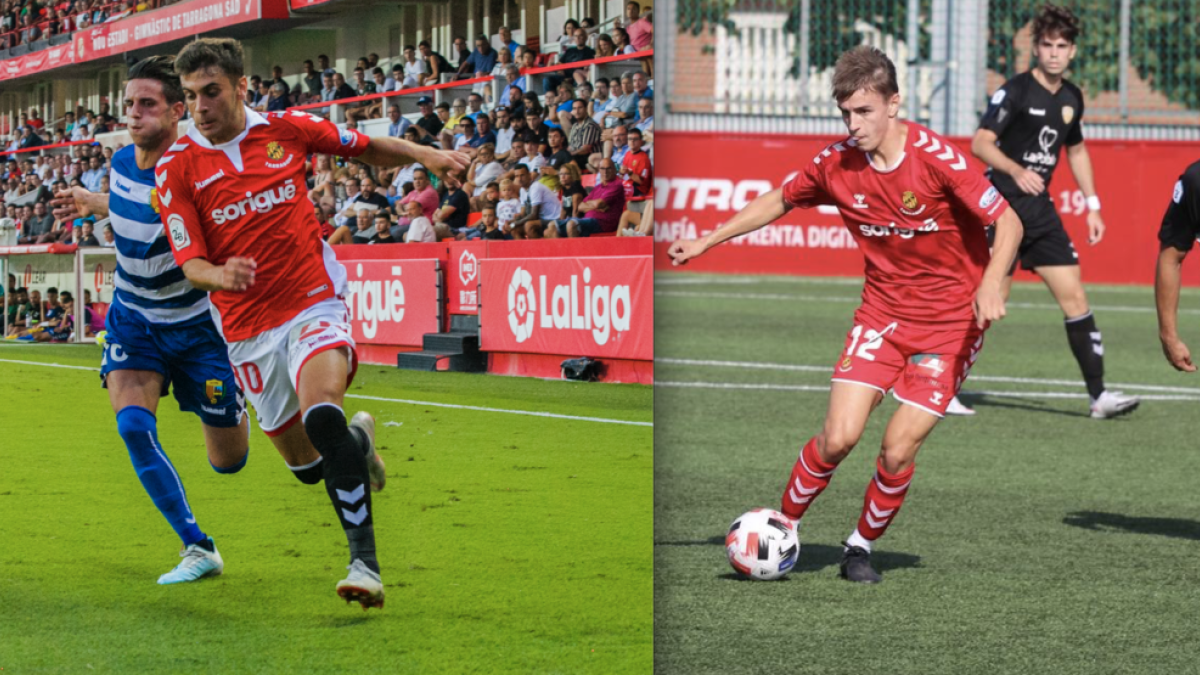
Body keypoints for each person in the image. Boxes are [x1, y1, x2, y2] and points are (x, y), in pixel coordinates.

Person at [667, 45, 1023, 584]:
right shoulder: (835, 163)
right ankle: (783, 526)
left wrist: (992, 282)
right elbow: (780, 199)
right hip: (881, 317)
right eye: (845, 113)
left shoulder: (937, 159)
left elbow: (1010, 222)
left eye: (864, 111)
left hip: (950, 327)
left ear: (893, 104)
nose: (853, 125)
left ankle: (859, 546)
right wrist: (708, 240)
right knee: (838, 437)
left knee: (898, 449)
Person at [159, 38, 469, 609]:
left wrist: (423, 154)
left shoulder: (287, 128)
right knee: (308, 467)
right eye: (190, 96)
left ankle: (365, 566)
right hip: (247, 328)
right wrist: (217, 277)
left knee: (322, 410)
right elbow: (191, 262)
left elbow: (366, 146)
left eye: (211, 92)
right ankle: (358, 444)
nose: (199, 106)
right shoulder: (176, 167)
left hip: (312, 301)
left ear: (240, 87)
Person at [50, 55, 250, 586]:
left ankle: (250, 405)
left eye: (147, 105)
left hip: (198, 328)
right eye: (128, 105)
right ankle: (197, 545)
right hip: (134, 320)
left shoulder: (198, 171)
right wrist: (93, 201)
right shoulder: (119, 163)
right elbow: (129, 204)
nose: (133, 115)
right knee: (134, 426)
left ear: (177, 111)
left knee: (229, 463)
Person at [960, 4, 1139, 420]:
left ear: (1072, 51)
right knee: (992, 299)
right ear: (1036, 48)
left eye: (1062, 46)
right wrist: (1016, 168)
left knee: (1075, 297)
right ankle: (939, 383)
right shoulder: (1016, 90)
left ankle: (1099, 397)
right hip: (1002, 207)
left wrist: (1093, 205)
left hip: (1039, 214)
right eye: (1047, 45)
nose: (1054, 53)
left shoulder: (1073, 98)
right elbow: (981, 143)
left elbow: (1075, 151)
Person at [549, 159, 625, 238]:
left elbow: (598, 204)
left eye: (608, 168)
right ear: (599, 170)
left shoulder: (616, 185)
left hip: (602, 223)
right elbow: (580, 206)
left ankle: (574, 250)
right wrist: (595, 206)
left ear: (614, 169)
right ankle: (563, 250)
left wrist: (592, 205)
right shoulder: (597, 188)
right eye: (602, 168)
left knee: (571, 224)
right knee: (551, 226)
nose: (605, 171)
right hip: (587, 221)